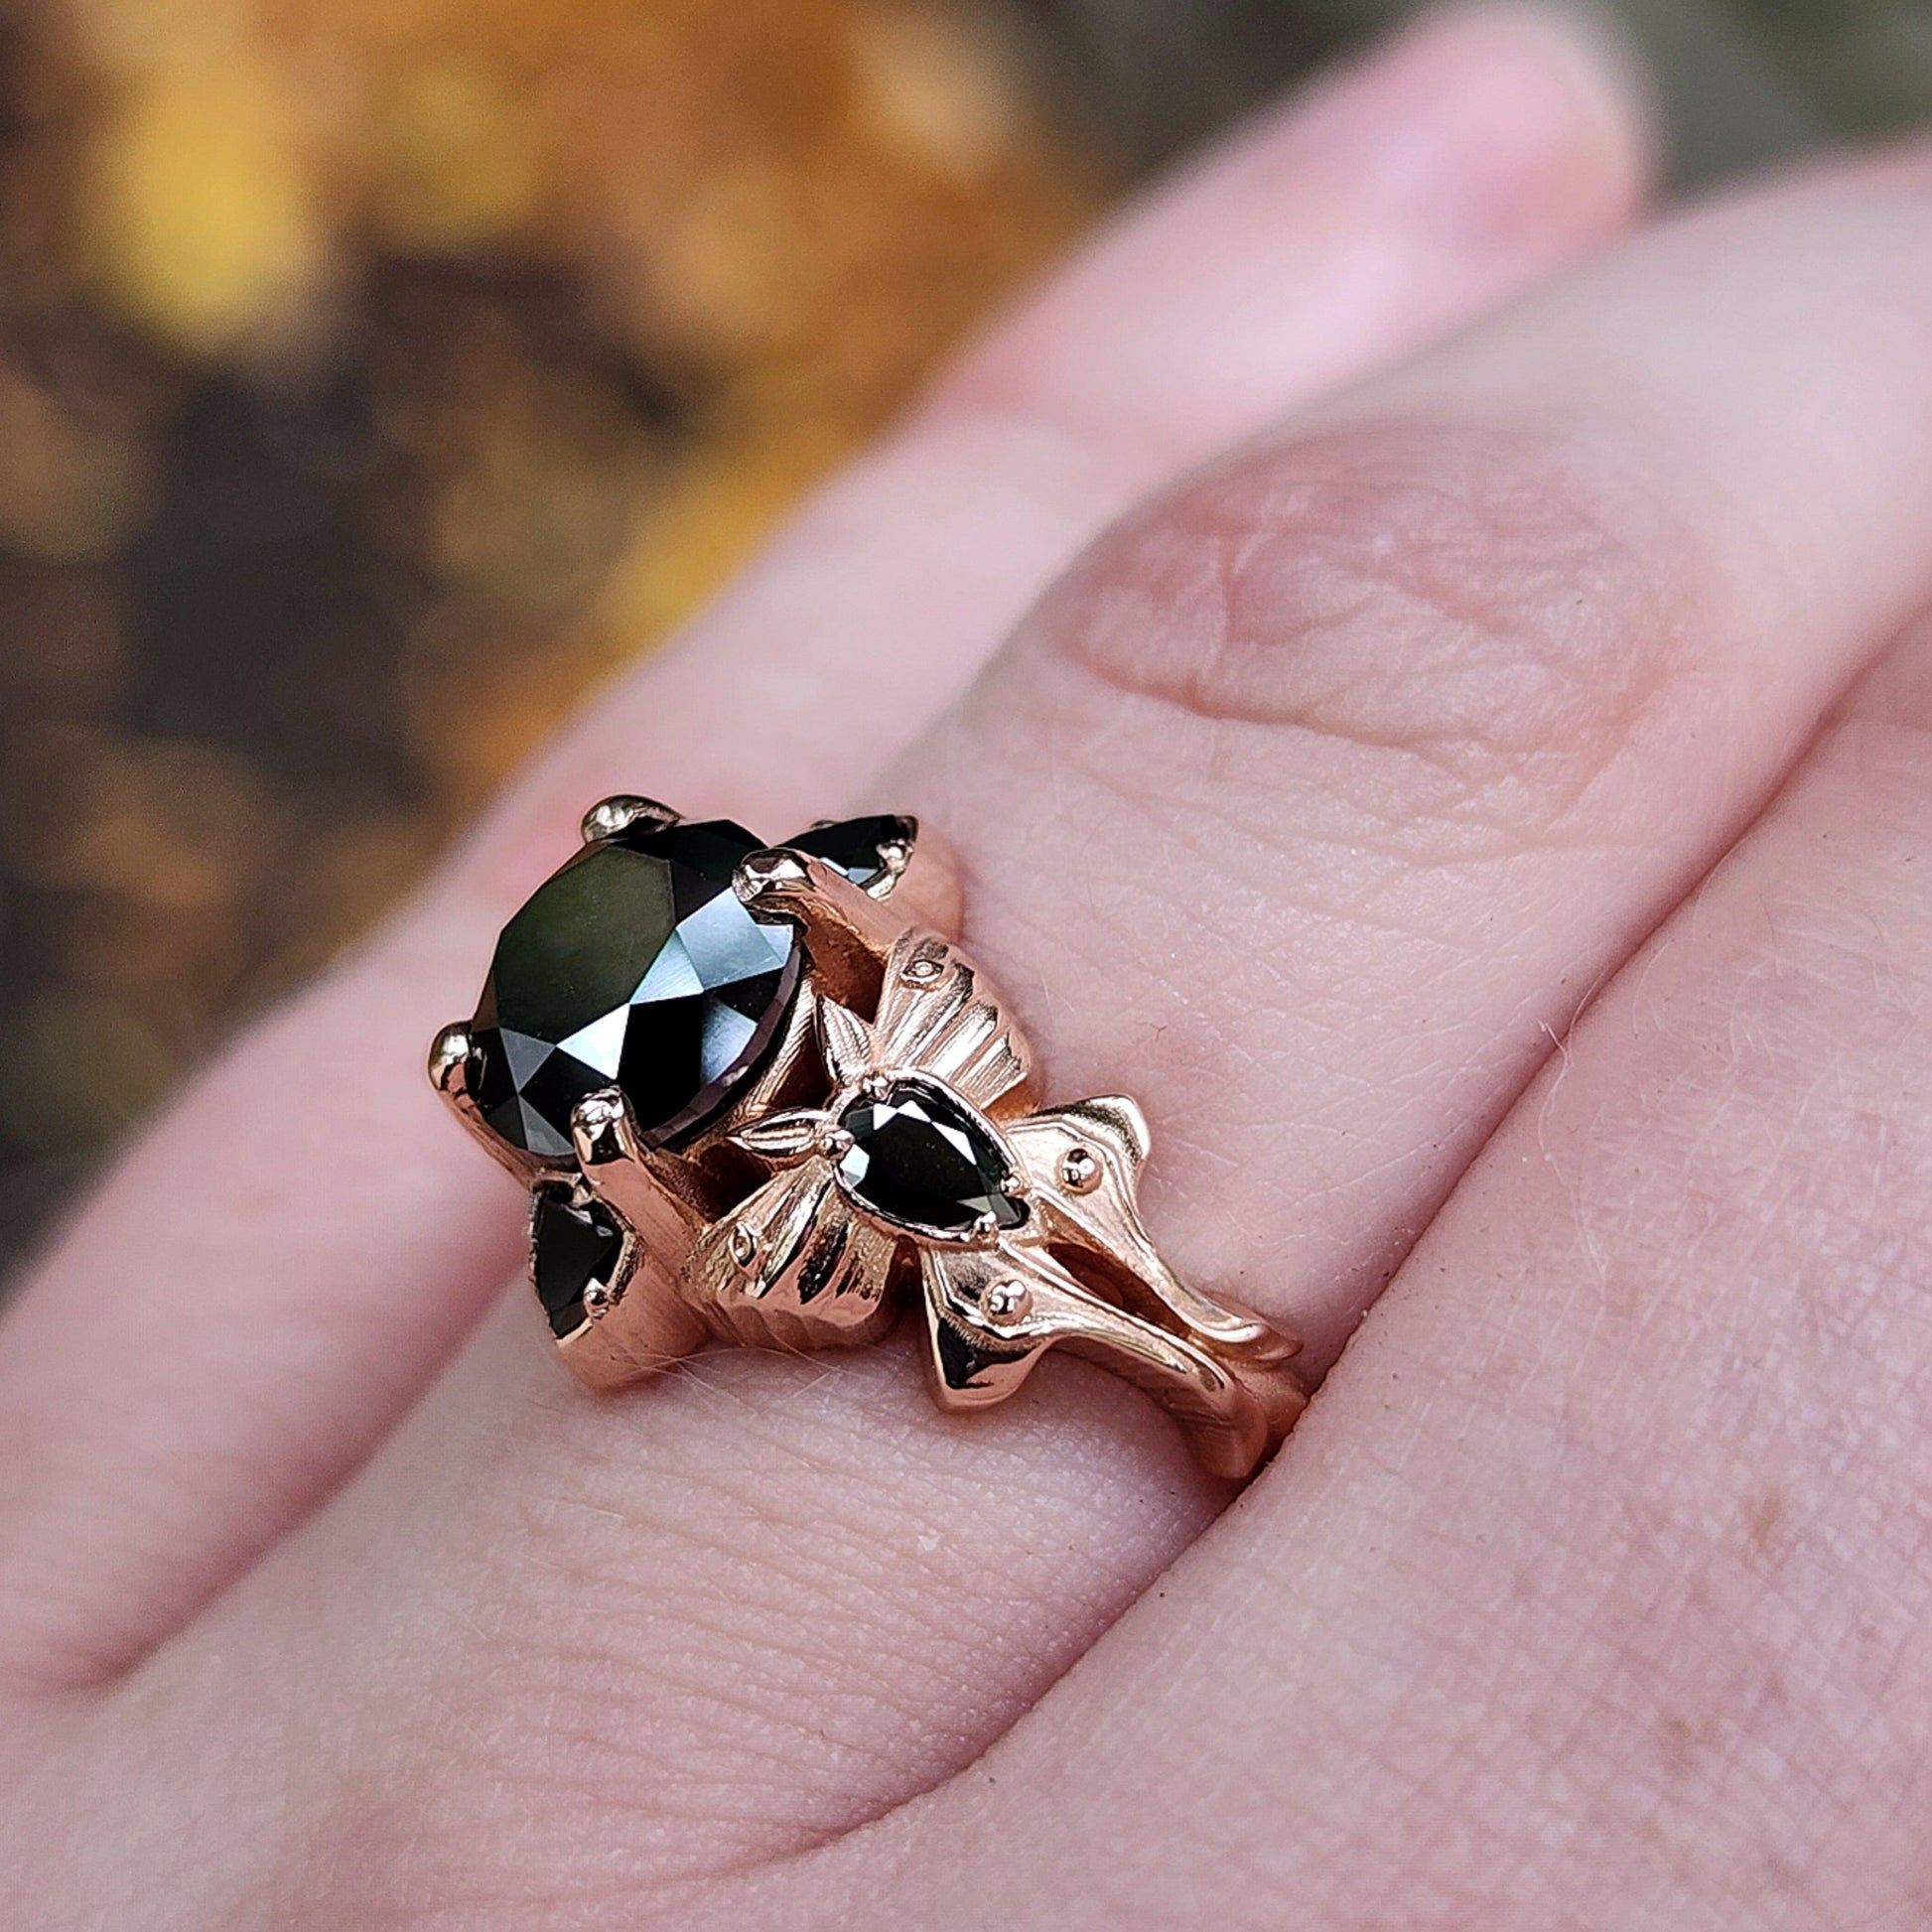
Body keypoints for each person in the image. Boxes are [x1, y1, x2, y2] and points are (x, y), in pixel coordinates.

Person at [2, 7, 1924, 1924]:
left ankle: (1209, 1368)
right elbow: (623, 1309)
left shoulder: (779, 993)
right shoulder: (718, 1128)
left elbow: (866, 914)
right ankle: (1206, 1370)